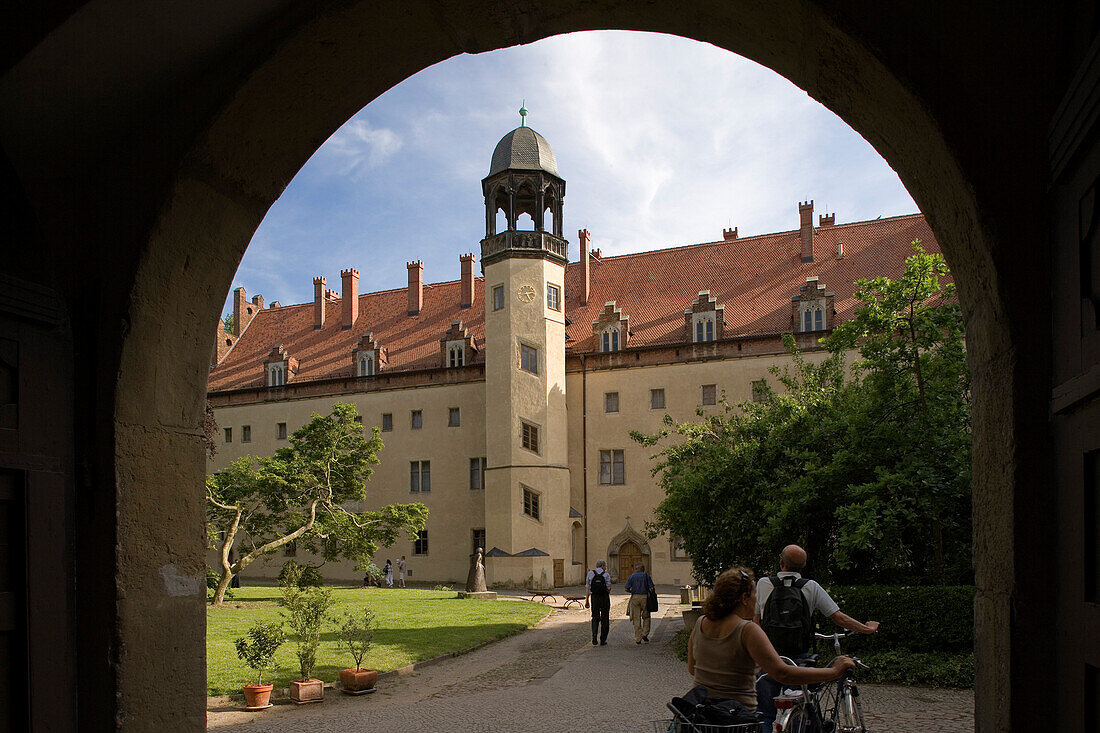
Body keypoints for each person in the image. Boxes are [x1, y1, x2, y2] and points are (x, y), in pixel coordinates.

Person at [687, 567, 856, 722]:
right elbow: (782, 673)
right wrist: (833, 671)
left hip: (702, 714)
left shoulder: (701, 622)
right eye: (754, 594)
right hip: (736, 718)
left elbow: (692, 668)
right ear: (744, 598)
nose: (756, 600)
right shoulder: (747, 630)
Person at [753, 545, 879, 728]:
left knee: (762, 715)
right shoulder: (811, 587)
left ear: (781, 563)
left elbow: (756, 621)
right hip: (799, 660)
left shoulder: (763, 584)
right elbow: (839, 618)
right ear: (802, 567)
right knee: (803, 709)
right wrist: (867, 628)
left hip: (769, 658)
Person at [624, 562, 655, 644]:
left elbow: (626, 588)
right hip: (645, 597)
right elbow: (652, 588)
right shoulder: (646, 576)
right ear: (642, 568)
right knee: (646, 616)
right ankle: (645, 634)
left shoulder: (631, 576)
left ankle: (638, 638)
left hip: (635, 597)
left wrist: (632, 591)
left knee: (636, 618)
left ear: (636, 569)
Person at [584, 559, 612, 646]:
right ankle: (603, 639)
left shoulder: (590, 573)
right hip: (604, 597)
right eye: (605, 566)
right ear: (603, 566)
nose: (605, 568)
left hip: (594, 598)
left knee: (595, 617)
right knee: (605, 618)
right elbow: (608, 587)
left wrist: (587, 600)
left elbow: (588, 588)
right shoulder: (606, 574)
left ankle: (594, 637)